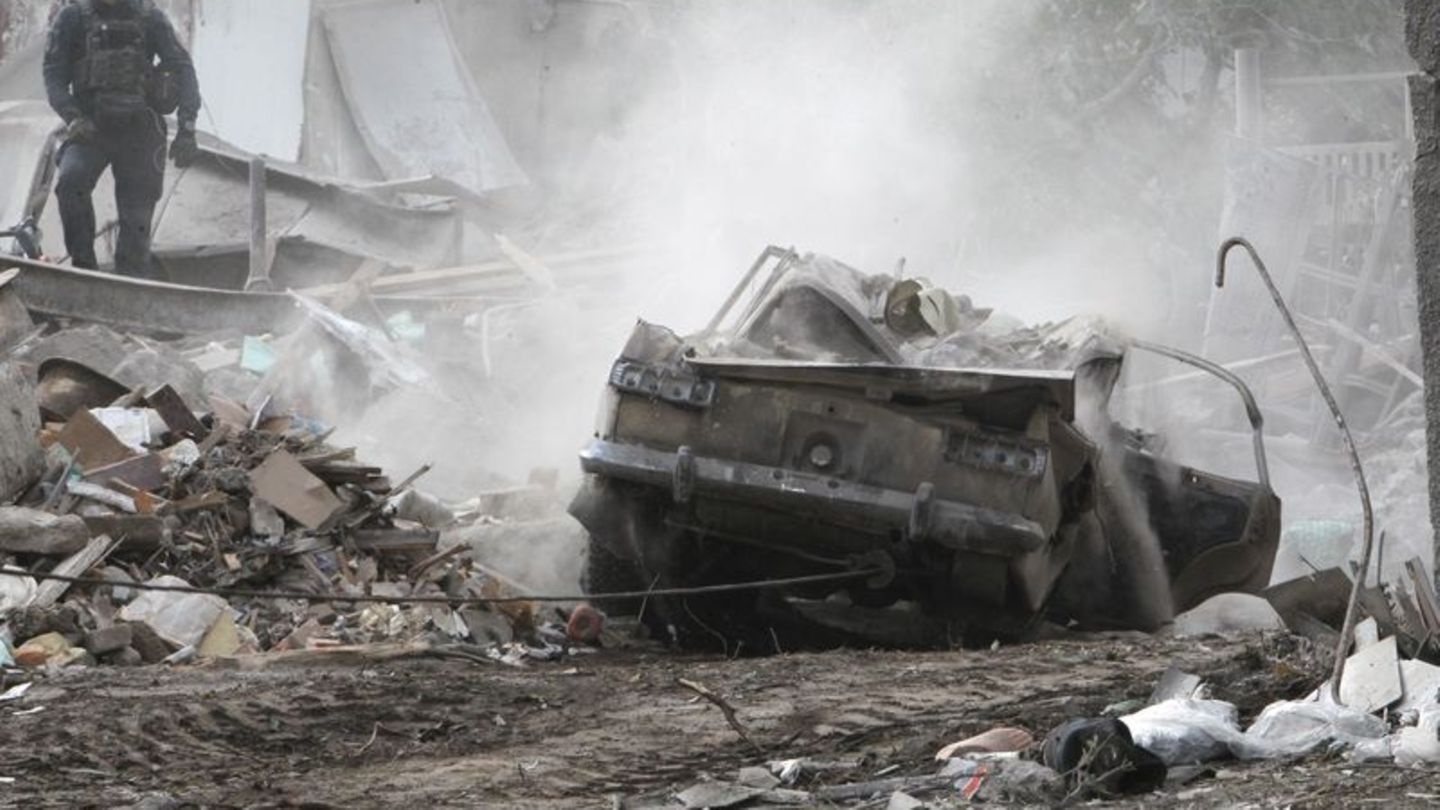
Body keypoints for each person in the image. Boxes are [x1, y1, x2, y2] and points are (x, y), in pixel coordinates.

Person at [42, 0, 200, 279]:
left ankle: (131, 283)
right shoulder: (72, 18)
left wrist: (187, 128)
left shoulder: (150, 18)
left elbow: (182, 68)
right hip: (90, 127)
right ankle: (84, 274)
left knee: (137, 219)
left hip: (140, 130)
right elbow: (54, 74)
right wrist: (73, 117)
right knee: (71, 183)